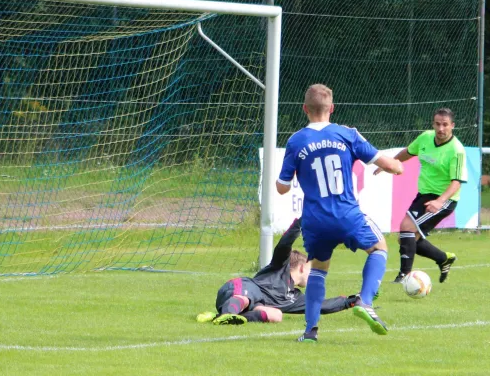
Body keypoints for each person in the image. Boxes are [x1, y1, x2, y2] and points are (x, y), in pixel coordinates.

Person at [276, 84, 404, 342]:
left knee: (319, 269)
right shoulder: (347, 134)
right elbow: (390, 165)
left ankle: (310, 332)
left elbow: (282, 188)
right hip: (347, 214)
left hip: (314, 220)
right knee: (379, 249)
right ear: (332, 108)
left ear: (305, 109)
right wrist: (398, 166)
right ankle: (365, 301)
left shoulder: (296, 141)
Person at [196, 218, 360, 325]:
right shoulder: (280, 265)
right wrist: (303, 220)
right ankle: (228, 313)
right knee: (246, 299)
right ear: (302, 267)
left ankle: (222, 317)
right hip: (239, 288)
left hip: (251, 305)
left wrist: (352, 301)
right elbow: (284, 244)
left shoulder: (294, 298)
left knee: (277, 315)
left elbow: (320, 305)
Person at [374, 107, 467, 284]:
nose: (441, 129)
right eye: (438, 124)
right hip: (424, 195)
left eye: (445, 125)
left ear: (452, 126)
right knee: (407, 239)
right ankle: (443, 258)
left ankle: (404, 275)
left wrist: (440, 201)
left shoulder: (457, 150)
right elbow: (408, 152)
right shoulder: (425, 137)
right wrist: (390, 163)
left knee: (406, 228)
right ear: (433, 124)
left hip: (445, 199)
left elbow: (456, 182)